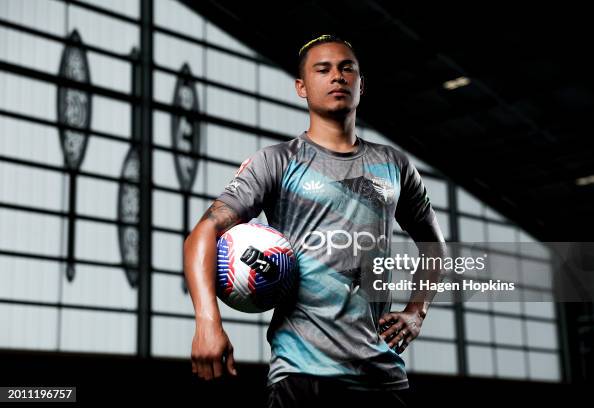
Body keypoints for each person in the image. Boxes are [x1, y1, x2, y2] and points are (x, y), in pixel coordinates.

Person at [183, 34, 447, 407]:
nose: (337, 76)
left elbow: (434, 245)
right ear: (301, 87)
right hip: (301, 375)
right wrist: (208, 322)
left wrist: (417, 312)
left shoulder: (395, 164)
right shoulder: (275, 162)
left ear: (361, 83)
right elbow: (202, 234)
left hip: (381, 374)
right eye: (323, 70)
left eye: (347, 68)